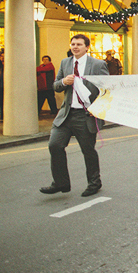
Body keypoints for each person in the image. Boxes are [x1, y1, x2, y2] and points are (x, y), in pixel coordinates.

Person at [40, 34, 110, 197]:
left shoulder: (98, 64)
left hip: (85, 115)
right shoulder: (65, 63)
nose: (75, 47)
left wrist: (98, 108)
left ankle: (94, 182)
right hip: (66, 114)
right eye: (73, 44)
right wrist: (64, 82)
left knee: (88, 150)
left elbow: (107, 89)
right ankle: (60, 183)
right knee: (55, 145)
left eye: (79, 44)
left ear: (87, 47)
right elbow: (55, 85)